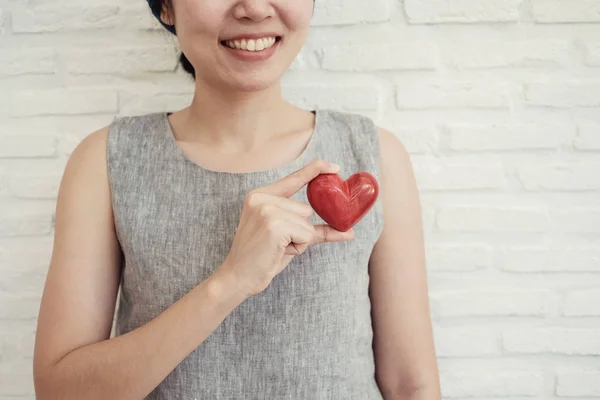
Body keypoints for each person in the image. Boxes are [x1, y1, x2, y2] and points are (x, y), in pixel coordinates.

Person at [32, 0, 441, 399]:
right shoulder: (106, 162)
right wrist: (230, 282)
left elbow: (411, 384)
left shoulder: (373, 155)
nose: (255, 9)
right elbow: (59, 391)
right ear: (167, 7)